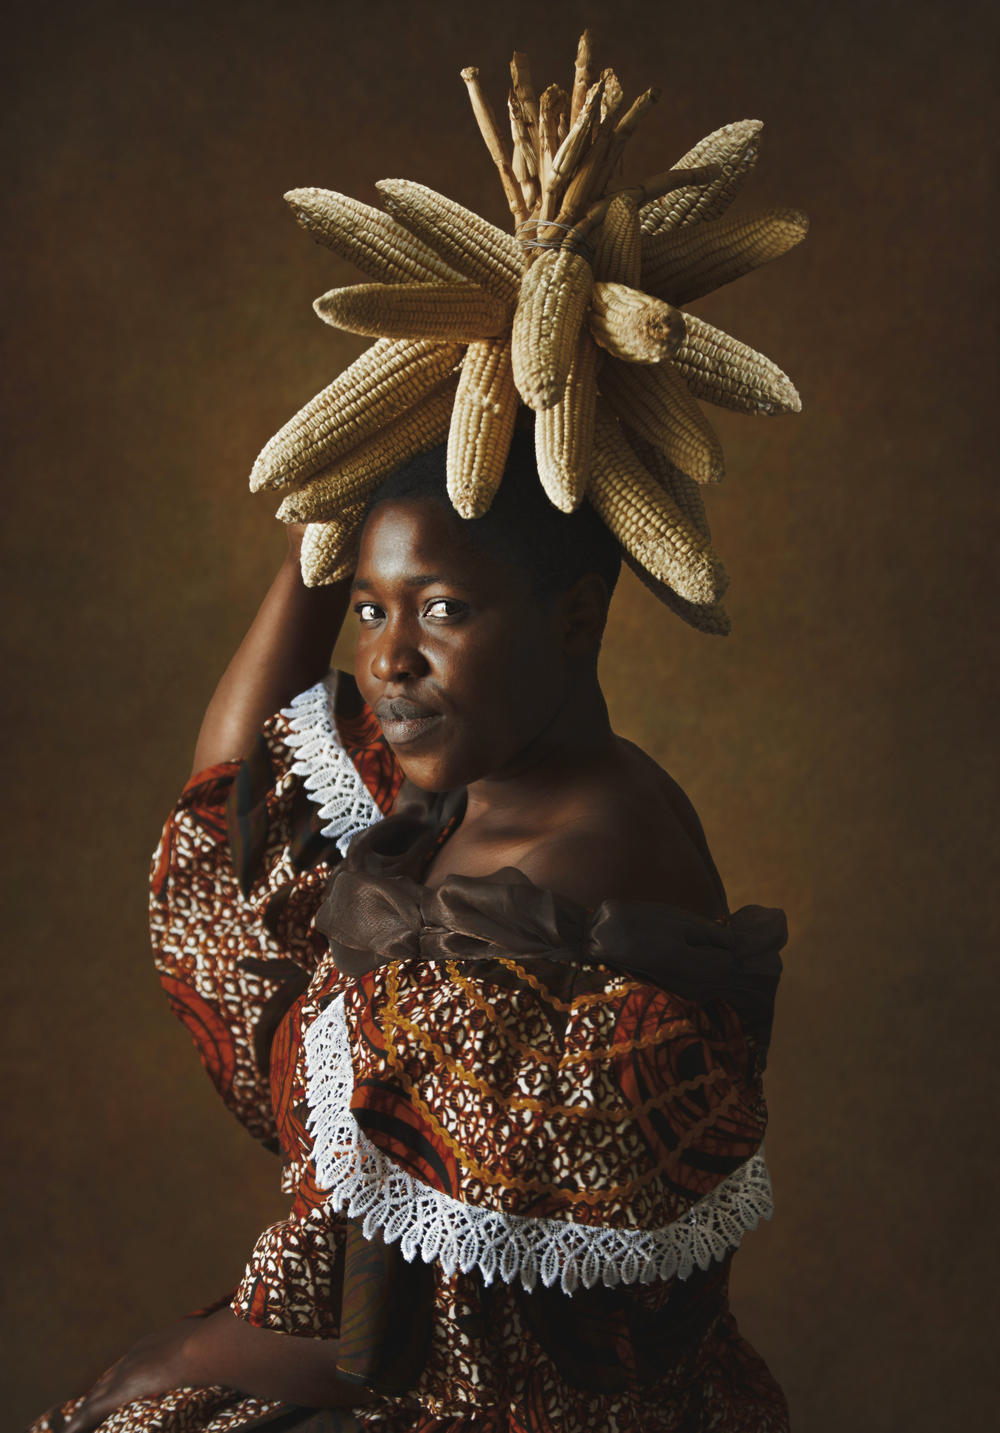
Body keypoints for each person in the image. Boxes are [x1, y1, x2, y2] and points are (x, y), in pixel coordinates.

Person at [34, 431, 789, 1432]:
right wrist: (331, 495)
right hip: (375, 1350)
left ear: (577, 611)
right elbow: (237, 808)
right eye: (368, 609)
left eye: (444, 609)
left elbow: (445, 1344)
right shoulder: (477, 800)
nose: (390, 658)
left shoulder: (551, 894)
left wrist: (184, 1351)